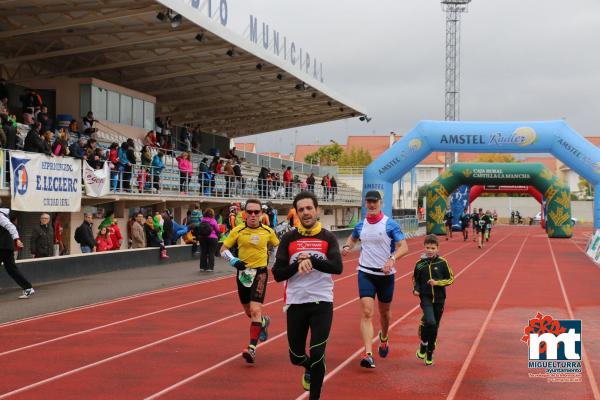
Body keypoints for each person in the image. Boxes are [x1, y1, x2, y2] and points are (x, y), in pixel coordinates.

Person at [273, 191, 343, 399]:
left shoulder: (328, 237)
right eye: (301, 209)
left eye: (309, 208)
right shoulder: (288, 238)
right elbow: (277, 274)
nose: (305, 213)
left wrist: (311, 260)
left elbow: (337, 267)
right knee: (295, 356)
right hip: (296, 302)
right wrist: (297, 263)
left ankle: (315, 396)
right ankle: (310, 368)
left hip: (321, 302)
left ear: (317, 210)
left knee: (318, 353)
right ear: (296, 212)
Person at [342, 190, 408, 368]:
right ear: (365, 203)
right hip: (365, 272)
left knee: (384, 313)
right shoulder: (360, 225)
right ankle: (368, 353)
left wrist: (392, 259)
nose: (371, 205)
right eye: (368, 202)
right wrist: (348, 245)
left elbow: (404, 247)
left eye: (374, 202)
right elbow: (353, 237)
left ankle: (384, 337)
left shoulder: (390, 224)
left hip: (385, 275)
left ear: (380, 203)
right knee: (366, 312)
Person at [220, 199, 280, 363]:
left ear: (261, 214)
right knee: (248, 312)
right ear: (245, 214)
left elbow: (278, 246)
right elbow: (223, 249)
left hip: (260, 273)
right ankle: (263, 321)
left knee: (255, 309)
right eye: (250, 212)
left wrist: (279, 262)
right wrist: (233, 260)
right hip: (243, 274)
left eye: (256, 212)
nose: (253, 215)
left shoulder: (268, 231)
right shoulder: (238, 231)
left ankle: (252, 348)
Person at [413, 234, 454, 366]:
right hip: (425, 297)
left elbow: (451, 279)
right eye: (428, 247)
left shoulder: (443, 263)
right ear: (424, 247)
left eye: (433, 248)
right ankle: (424, 343)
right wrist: (416, 289)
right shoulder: (419, 264)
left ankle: (429, 351)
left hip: (440, 299)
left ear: (437, 248)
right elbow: (415, 279)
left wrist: (438, 283)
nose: (430, 250)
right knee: (430, 321)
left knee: (434, 325)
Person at [0, 202, 35, 299]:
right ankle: (28, 288)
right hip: (7, 247)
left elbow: (11, 226)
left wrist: (17, 239)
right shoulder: (5, 214)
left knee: (12, 269)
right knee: (12, 269)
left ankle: (28, 287)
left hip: (2, 247)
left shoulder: (0, 215)